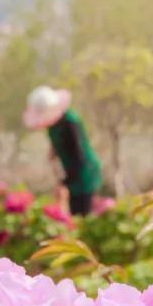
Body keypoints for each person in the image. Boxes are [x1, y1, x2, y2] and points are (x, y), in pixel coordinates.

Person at [23, 86, 103, 216]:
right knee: (73, 211)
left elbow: (78, 155)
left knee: (81, 212)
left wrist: (65, 182)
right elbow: (58, 142)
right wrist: (54, 150)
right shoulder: (53, 124)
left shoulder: (70, 123)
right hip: (71, 172)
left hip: (83, 173)